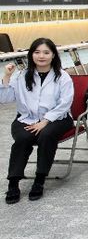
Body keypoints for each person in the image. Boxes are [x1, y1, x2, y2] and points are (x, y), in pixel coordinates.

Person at [1, 38, 74, 204]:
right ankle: (13, 182)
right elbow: (5, 99)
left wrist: (45, 121)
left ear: (53, 55)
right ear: (31, 55)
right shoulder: (21, 75)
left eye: (46, 52)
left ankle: (39, 180)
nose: (41, 56)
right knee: (23, 138)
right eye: (37, 52)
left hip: (58, 118)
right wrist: (7, 76)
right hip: (26, 118)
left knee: (46, 135)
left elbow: (65, 104)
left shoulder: (62, 77)